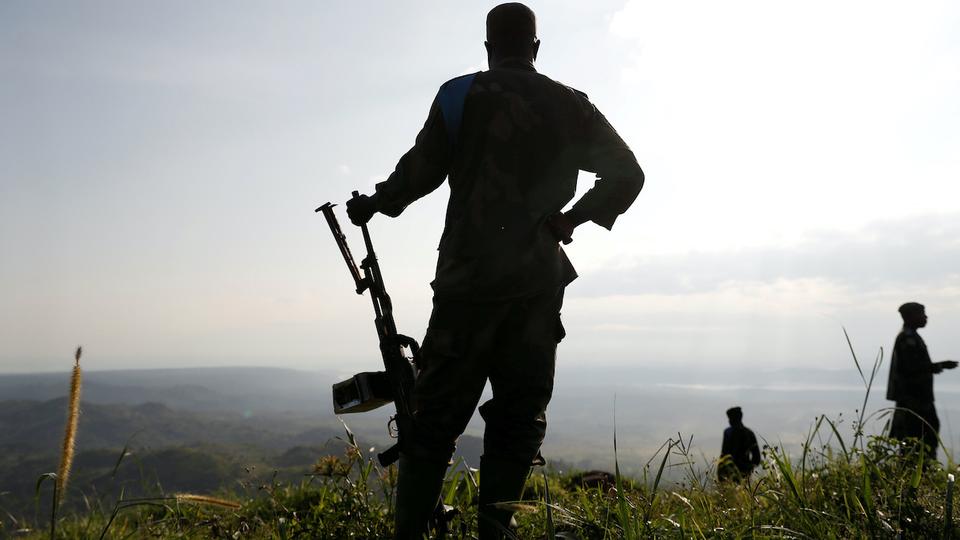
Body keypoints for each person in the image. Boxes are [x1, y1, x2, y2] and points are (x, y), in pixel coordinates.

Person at [346, 3, 644, 538]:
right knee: (517, 419)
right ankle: (494, 531)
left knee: (434, 421)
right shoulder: (571, 105)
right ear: (535, 48)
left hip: (467, 284)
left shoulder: (461, 94)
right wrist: (571, 218)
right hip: (536, 289)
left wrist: (375, 204)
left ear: (487, 49)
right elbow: (630, 172)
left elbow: (419, 172)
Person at [886, 302, 957, 460]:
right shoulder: (908, 338)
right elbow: (912, 368)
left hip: (917, 400)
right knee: (918, 440)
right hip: (914, 401)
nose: (926, 317)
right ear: (910, 317)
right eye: (922, 313)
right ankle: (917, 476)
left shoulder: (911, 336)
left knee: (921, 438)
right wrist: (939, 365)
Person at [717, 406, 761, 482]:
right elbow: (756, 458)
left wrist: (721, 471)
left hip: (729, 473)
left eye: (730, 419)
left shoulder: (728, 432)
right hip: (742, 473)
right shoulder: (749, 433)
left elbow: (723, 454)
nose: (729, 421)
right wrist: (749, 467)